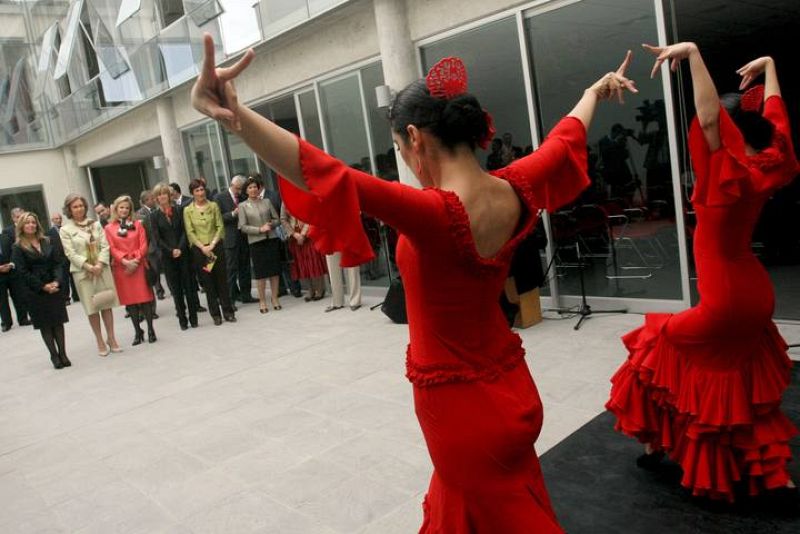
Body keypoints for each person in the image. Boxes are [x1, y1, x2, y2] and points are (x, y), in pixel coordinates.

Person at [191, 34, 635, 531]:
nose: (404, 160)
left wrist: (235, 115)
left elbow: (319, 170)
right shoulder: (514, 186)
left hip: (460, 413)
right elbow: (564, 139)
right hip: (513, 391)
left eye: (400, 148)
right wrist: (595, 91)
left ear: (415, 139)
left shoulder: (434, 213)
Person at [607, 44, 799, 502]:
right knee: (731, 380)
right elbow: (776, 117)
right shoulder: (769, 163)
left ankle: (665, 443)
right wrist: (771, 66)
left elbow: (711, 118)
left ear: (731, 134)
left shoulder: (725, 168)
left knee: (650, 355)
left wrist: (693, 55)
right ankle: (776, 477)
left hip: (725, 301)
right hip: (753, 293)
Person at [60, 194, 121, 356]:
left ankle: (111, 338)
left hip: (102, 269)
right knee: (92, 307)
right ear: (69, 210)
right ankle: (100, 340)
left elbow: (105, 245)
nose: (79, 209)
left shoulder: (95, 224)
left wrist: (100, 263)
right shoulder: (65, 230)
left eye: (81, 205)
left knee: (106, 303)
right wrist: (88, 266)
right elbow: (70, 253)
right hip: (83, 272)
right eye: (75, 206)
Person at [11, 212, 71, 369]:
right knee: (45, 324)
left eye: (33, 222)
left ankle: (63, 353)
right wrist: (43, 286)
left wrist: (57, 281)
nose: (31, 225)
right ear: (21, 226)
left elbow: (58, 263)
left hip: (54, 285)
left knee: (58, 322)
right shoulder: (17, 247)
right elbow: (22, 272)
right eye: (27, 223)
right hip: (35, 290)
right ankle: (54, 355)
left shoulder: (47, 241)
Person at [105, 195, 157, 345]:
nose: (124, 210)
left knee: (145, 299)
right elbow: (111, 248)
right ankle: (137, 331)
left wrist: (136, 259)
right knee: (130, 302)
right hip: (122, 268)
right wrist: (125, 260)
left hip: (139, 265)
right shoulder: (109, 228)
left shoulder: (138, 224)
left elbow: (144, 244)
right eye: (121, 207)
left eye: (127, 208)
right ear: (116, 209)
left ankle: (151, 329)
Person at [184, 178, 236, 325]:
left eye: (202, 189)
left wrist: (212, 244)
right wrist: (203, 247)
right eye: (197, 190)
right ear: (192, 193)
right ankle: (215, 314)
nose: (201, 193)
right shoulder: (188, 210)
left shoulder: (213, 206)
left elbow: (220, 226)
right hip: (201, 251)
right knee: (208, 282)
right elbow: (190, 232)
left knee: (222, 279)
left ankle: (228, 311)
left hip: (216, 247)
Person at [152, 182, 200, 330]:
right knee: (176, 290)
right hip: (168, 258)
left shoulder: (179, 210)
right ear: (156, 198)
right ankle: (182, 319)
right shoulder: (154, 216)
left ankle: (193, 317)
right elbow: (157, 239)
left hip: (184, 254)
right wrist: (171, 251)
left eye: (164, 193)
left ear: (169, 195)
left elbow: (186, 231)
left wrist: (179, 248)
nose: (162, 197)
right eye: (159, 194)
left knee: (189, 287)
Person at [238, 175, 282, 313]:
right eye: (250, 187)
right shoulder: (242, 206)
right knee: (261, 274)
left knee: (274, 272)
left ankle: (275, 298)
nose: (253, 190)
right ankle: (262, 301)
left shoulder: (267, 202)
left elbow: (277, 219)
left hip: (271, 239)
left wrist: (271, 224)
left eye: (255, 187)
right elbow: (243, 226)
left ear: (259, 188)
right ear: (246, 190)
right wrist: (259, 229)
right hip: (256, 242)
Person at [215, 175, 255, 304]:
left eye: (241, 189)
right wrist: (233, 213)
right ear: (232, 185)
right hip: (230, 239)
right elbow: (218, 218)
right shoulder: (219, 198)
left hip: (243, 237)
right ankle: (231, 299)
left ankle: (246, 295)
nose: (239, 192)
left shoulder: (243, 197)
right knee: (231, 270)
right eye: (238, 189)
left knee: (245, 268)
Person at [280, 204, 327, 302]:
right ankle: (310, 290)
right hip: (294, 238)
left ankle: (320, 289)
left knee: (314, 262)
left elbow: (311, 215)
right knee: (302, 265)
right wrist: (294, 234)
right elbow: (283, 219)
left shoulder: (304, 193)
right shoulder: (285, 200)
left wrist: (303, 234)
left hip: (309, 235)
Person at [3, 207, 31, 326]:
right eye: (19, 217)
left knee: (26, 293)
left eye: (23, 216)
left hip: (30, 263)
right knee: (18, 294)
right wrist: (11, 264)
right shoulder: (7, 232)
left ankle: (27, 316)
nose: (22, 219)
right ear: (13, 218)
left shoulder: (30, 227)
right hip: (15, 267)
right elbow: (8, 250)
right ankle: (15, 320)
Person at [136, 190, 165, 302]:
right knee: (155, 269)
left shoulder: (158, 210)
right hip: (150, 247)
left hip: (161, 244)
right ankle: (159, 290)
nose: (154, 200)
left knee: (164, 268)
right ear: (146, 201)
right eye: (151, 199)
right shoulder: (140, 214)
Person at [47, 212, 79, 304]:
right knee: (63, 279)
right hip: (59, 259)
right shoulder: (49, 233)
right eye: (56, 219)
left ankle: (76, 296)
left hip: (69, 257)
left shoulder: (66, 229)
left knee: (73, 277)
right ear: (52, 220)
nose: (59, 220)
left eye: (60, 218)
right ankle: (66, 298)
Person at [0, 222, 17, 332]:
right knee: (2, 300)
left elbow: (14, 252)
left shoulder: (6, 238)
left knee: (18, 296)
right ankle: (6, 322)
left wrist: (11, 264)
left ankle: (23, 318)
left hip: (11, 271)